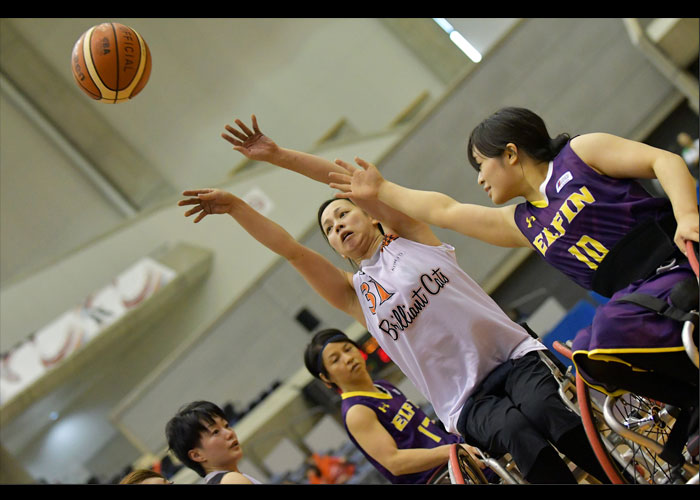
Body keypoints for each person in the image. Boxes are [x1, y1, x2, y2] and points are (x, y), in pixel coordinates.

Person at [176, 115, 610, 484]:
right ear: (336, 249)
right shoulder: (354, 293)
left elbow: (352, 182)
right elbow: (291, 249)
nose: (337, 225)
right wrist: (236, 206)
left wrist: (277, 157)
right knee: (517, 430)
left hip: (513, 355)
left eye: (342, 212)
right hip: (465, 401)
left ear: (369, 214)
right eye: (328, 228)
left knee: (548, 411)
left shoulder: (412, 236)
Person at [328, 106, 699, 410]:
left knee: (605, 335)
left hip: (674, 260)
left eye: (480, 165)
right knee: (589, 352)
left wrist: (687, 216)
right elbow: (446, 210)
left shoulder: (582, 154)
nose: (478, 180)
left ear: (509, 153)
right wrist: (383, 189)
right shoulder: (522, 222)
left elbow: (663, 161)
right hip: (634, 297)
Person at [304, 328, 498, 484]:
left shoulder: (383, 386)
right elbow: (394, 462)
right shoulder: (357, 411)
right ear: (326, 378)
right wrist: (452, 451)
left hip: (458, 459)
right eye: (335, 360)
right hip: (437, 477)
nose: (347, 359)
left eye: (347, 349)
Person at [165, 400, 262, 484]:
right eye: (215, 432)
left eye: (226, 425)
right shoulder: (231, 480)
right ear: (197, 455)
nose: (229, 433)